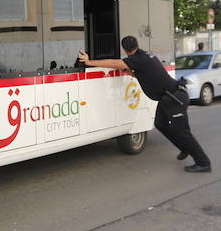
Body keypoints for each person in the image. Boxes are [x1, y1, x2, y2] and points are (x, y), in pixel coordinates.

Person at [78, 36, 211, 173]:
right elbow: (145, 75)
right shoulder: (144, 56)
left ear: (125, 50)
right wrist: (129, 72)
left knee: (183, 133)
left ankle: (203, 163)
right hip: (168, 97)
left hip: (175, 99)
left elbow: (113, 63)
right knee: (160, 124)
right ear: (137, 44)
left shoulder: (138, 59)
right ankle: (184, 147)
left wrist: (89, 62)